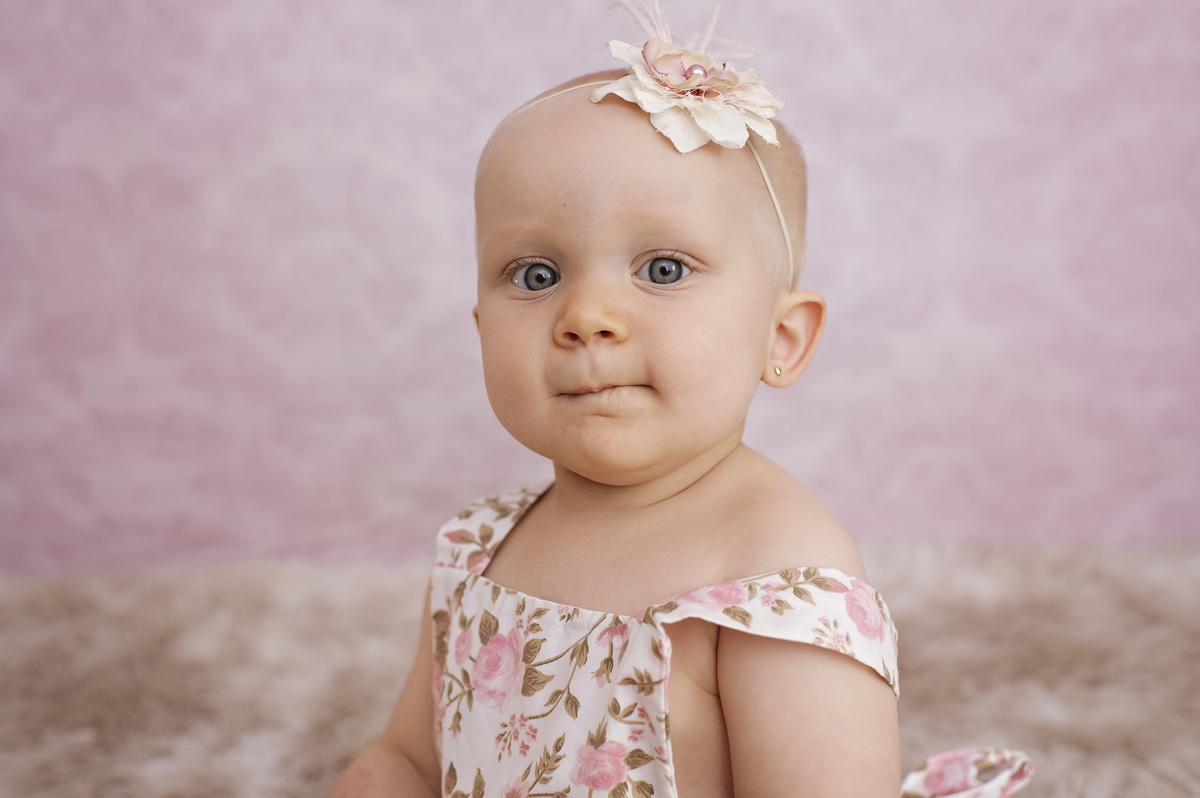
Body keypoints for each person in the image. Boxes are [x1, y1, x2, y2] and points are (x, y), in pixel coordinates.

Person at [331, 3, 1032, 796]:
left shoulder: (776, 576)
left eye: (663, 269)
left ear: (782, 339)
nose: (587, 317)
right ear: (480, 325)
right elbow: (408, 763)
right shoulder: (482, 548)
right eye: (536, 275)